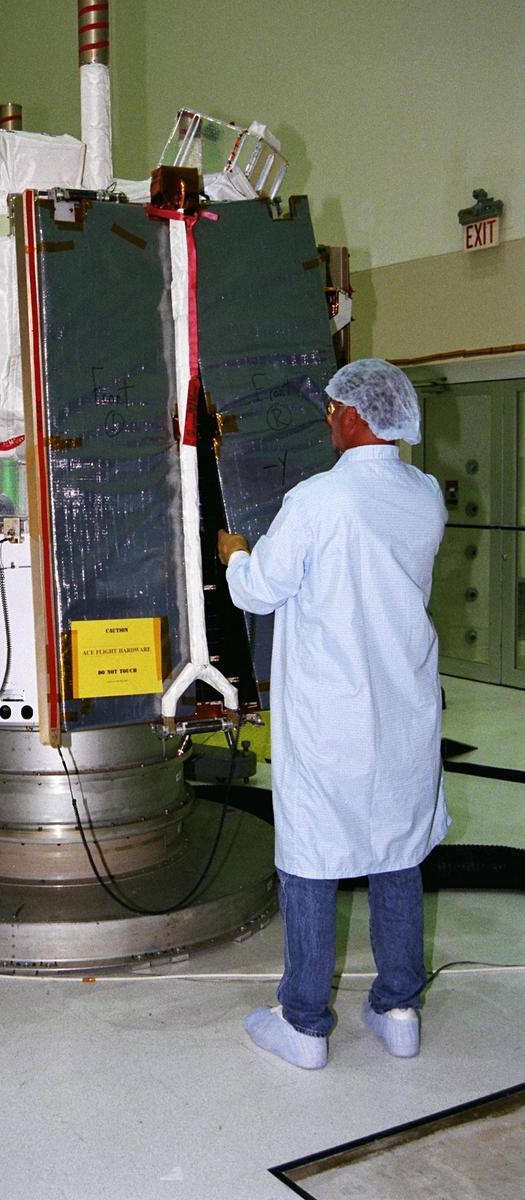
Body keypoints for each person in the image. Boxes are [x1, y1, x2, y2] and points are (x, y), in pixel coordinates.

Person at [218, 359, 448, 1069]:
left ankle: (305, 1021)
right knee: (397, 852)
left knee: (313, 860)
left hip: (330, 714)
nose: (327, 418)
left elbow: (259, 591)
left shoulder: (318, 499)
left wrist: (234, 555)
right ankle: (398, 1007)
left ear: (356, 417)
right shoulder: (424, 495)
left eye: (332, 409)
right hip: (402, 707)